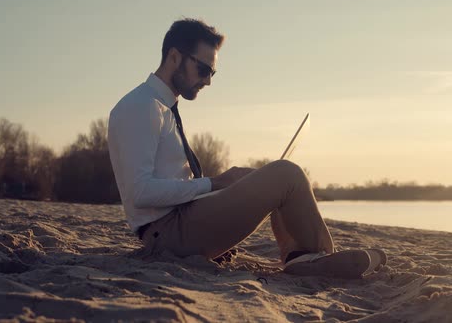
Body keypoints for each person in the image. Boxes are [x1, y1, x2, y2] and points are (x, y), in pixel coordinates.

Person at [107, 18, 385, 278]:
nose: (208, 80)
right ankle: (319, 258)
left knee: (270, 175)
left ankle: (303, 257)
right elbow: (139, 193)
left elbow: (171, 184)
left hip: (181, 222)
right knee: (286, 174)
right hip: (168, 234)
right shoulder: (141, 106)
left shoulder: (162, 108)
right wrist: (215, 183)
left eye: (212, 72)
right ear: (174, 57)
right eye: (203, 69)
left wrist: (224, 187)